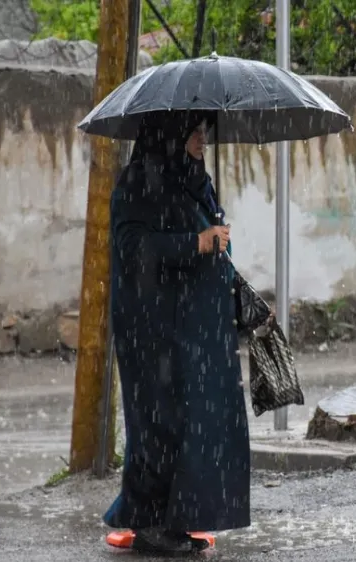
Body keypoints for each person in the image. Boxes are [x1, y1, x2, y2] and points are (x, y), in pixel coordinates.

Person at [104, 111, 250, 553]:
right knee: (158, 424)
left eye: (204, 132)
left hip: (193, 329)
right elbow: (132, 248)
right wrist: (196, 242)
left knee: (194, 424)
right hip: (153, 329)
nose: (202, 140)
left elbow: (208, 239)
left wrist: (217, 241)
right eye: (194, 133)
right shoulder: (137, 184)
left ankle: (180, 519)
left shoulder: (192, 180)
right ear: (168, 136)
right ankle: (150, 525)